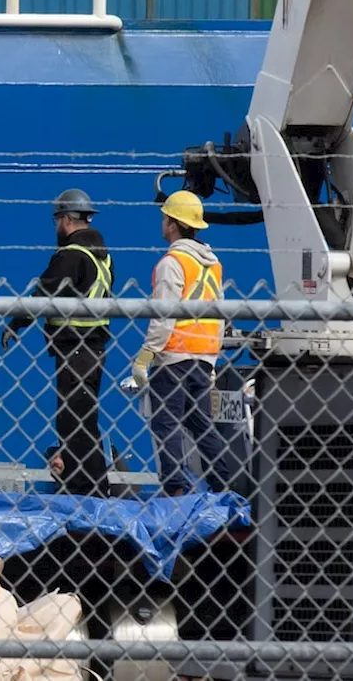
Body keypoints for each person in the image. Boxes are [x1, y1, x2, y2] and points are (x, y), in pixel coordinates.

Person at [0, 188, 114, 496]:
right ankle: (90, 486)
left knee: (72, 421)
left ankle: (86, 488)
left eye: (57, 221)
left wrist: (16, 324)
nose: (56, 228)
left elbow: (44, 293)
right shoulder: (101, 255)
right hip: (94, 347)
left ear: (66, 219)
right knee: (83, 418)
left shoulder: (71, 255)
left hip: (75, 348)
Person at [132, 190, 236, 496]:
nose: (162, 223)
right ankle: (223, 485)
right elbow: (219, 314)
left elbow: (164, 313)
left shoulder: (172, 263)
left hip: (175, 356)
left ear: (173, 224)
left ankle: (175, 489)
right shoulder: (212, 264)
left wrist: (145, 356)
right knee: (200, 423)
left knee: (166, 423)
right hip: (203, 357)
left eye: (165, 218)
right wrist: (213, 359)